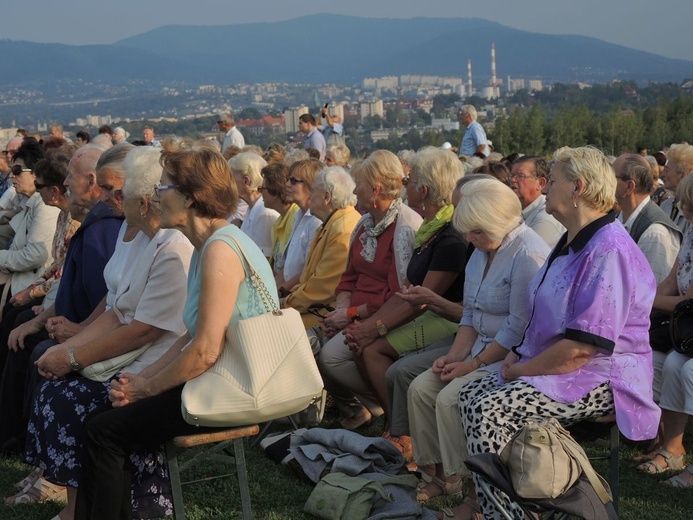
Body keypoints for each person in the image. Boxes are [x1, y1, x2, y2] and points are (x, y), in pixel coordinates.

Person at [73, 139, 278, 520]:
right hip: (221, 377)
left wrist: (146, 387)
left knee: (104, 432)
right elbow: (189, 336)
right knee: (104, 422)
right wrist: (139, 380)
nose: (155, 196)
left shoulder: (219, 249)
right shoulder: (208, 245)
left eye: (163, 187)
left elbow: (203, 351)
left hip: (234, 387)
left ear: (189, 198)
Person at [458, 146, 660, 519]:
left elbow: (584, 348)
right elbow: (544, 315)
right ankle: (507, 503)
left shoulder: (608, 249)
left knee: (490, 408)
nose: (544, 188)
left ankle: (507, 514)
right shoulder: (572, 240)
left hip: (605, 378)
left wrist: (520, 371)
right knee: (470, 394)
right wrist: (517, 353)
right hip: (562, 366)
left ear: (577, 187)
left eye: (551, 182)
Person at [13, 146, 193, 518]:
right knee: (52, 380)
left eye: (119, 193)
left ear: (144, 202)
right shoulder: (138, 235)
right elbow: (113, 307)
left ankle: (83, 505)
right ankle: (75, 501)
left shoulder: (172, 249)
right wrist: (72, 345)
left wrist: (73, 356)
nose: (111, 198)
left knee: (68, 399)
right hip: (130, 350)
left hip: (154, 363)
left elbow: (143, 331)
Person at [406, 178, 549, 504]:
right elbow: (469, 313)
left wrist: (471, 364)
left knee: (449, 397)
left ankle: (466, 482)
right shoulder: (482, 250)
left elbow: (517, 330)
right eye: (468, 232)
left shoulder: (527, 253)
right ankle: (436, 473)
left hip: (509, 357)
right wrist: (455, 357)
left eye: (476, 232)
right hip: (478, 349)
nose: (470, 239)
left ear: (497, 222)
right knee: (421, 388)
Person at [0, 144, 123, 461]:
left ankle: (33, 452)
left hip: (97, 341)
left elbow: (111, 303)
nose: (66, 184)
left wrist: (76, 332)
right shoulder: (92, 222)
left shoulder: (103, 227)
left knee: (38, 348)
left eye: (71, 177)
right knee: (23, 330)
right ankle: (23, 442)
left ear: (90, 182)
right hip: (72, 321)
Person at [343, 147, 467, 445]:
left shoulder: (450, 235)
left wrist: (374, 327)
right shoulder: (430, 228)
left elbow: (423, 300)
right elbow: (408, 292)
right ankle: (397, 423)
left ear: (422, 190)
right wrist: (368, 326)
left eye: (408, 180)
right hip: (428, 310)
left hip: (449, 317)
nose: (403, 185)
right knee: (365, 344)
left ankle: (406, 433)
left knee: (371, 348)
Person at [317, 150, 422, 429]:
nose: (354, 191)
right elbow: (349, 277)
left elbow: (398, 294)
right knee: (323, 348)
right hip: (358, 313)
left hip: (388, 316)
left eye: (359, 184)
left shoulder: (405, 227)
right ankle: (384, 408)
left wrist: (350, 314)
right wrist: (341, 309)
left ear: (375, 189)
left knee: (333, 356)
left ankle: (392, 413)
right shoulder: (365, 224)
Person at [635, 173, 693, 480]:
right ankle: (673, 449)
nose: (680, 205)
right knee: (671, 363)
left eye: (687, 201)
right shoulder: (691, 232)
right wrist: (642, 302)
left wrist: (639, 302)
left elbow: (688, 301)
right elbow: (672, 282)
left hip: (689, 325)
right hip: (688, 335)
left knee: (689, 371)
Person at [0, 154, 80, 372]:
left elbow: (57, 268)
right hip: (49, 289)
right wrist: (31, 290)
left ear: (53, 192)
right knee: (13, 313)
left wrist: (34, 295)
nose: (36, 189)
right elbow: (58, 264)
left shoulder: (69, 219)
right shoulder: (63, 216)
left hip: (61, 299)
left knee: (19, 320)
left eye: (39, 185)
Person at [282, 166, 361, 329]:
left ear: (326, 197)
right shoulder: (333, 222)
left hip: (323, 317)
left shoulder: (343, 229)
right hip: (310, 309)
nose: (310, 196)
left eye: (314, 191)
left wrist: (286, 304)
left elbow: (322, 288)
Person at [2, 140, 61, 298]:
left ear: (35, 172)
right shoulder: (28, 200)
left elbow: (35, 255)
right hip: (19, 280)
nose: (12, 174)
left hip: (27, 286)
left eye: (17, 170)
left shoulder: (45, 204)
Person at [613, 153, 681, 285]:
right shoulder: (618, 219)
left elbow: (652, 295)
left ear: (629, 187)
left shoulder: (655, 234)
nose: (605, 182)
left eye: (611, 177)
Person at [276, 159, 322, 298]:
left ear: (311, 186)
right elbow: (288, 268)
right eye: (288, 180)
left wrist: (277, 294)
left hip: (299, 298)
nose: (287, 184)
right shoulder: (298, 215)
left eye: (294, 181)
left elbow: (306, 271)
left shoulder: (317, 221)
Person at [508, 156, 565, 248]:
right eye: (511, 176)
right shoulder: (518, 210)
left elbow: (525, 254)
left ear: (541, 183)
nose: (512, 180)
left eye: (520, 176)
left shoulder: (545, 219)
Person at [229, 152, 279, 257]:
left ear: (246, 181)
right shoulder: (253, 208)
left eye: (231, 179)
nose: (228, 184)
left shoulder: (265, 213)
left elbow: (263, 260)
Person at [260, 163, 299, 276]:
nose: (260, 192)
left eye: (262, 188)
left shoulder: (295, 219)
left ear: (274, 191)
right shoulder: (280, 220)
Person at [660, 143, 693, 233]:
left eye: (667, 170)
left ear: (681, 174)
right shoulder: (665, 205)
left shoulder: (690, 209)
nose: (662, 174)